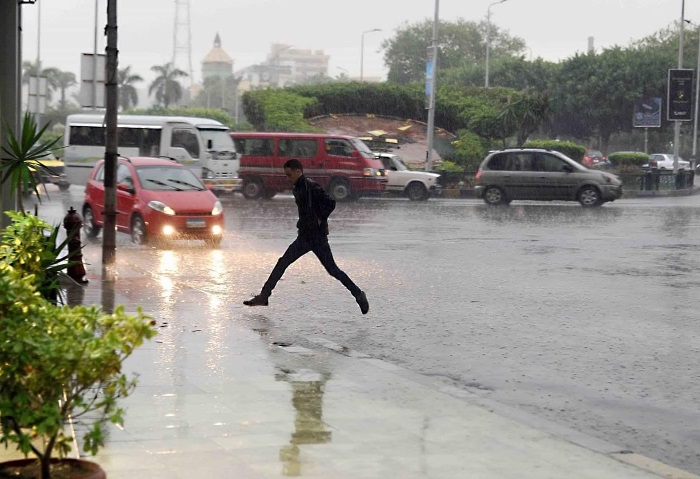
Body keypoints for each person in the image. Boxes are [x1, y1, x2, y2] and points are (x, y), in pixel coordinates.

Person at [243, 159, 369, 314]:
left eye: (289, 174)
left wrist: (319, 218)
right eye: (286, 175)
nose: (288, 178)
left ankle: (358, 294)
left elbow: (330, 203)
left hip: (317, 237)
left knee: (333, 270)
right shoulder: (297, 187)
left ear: (298, 171)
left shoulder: (311, 186)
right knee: (283, 262)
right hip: (304, 236)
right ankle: (264, 296)